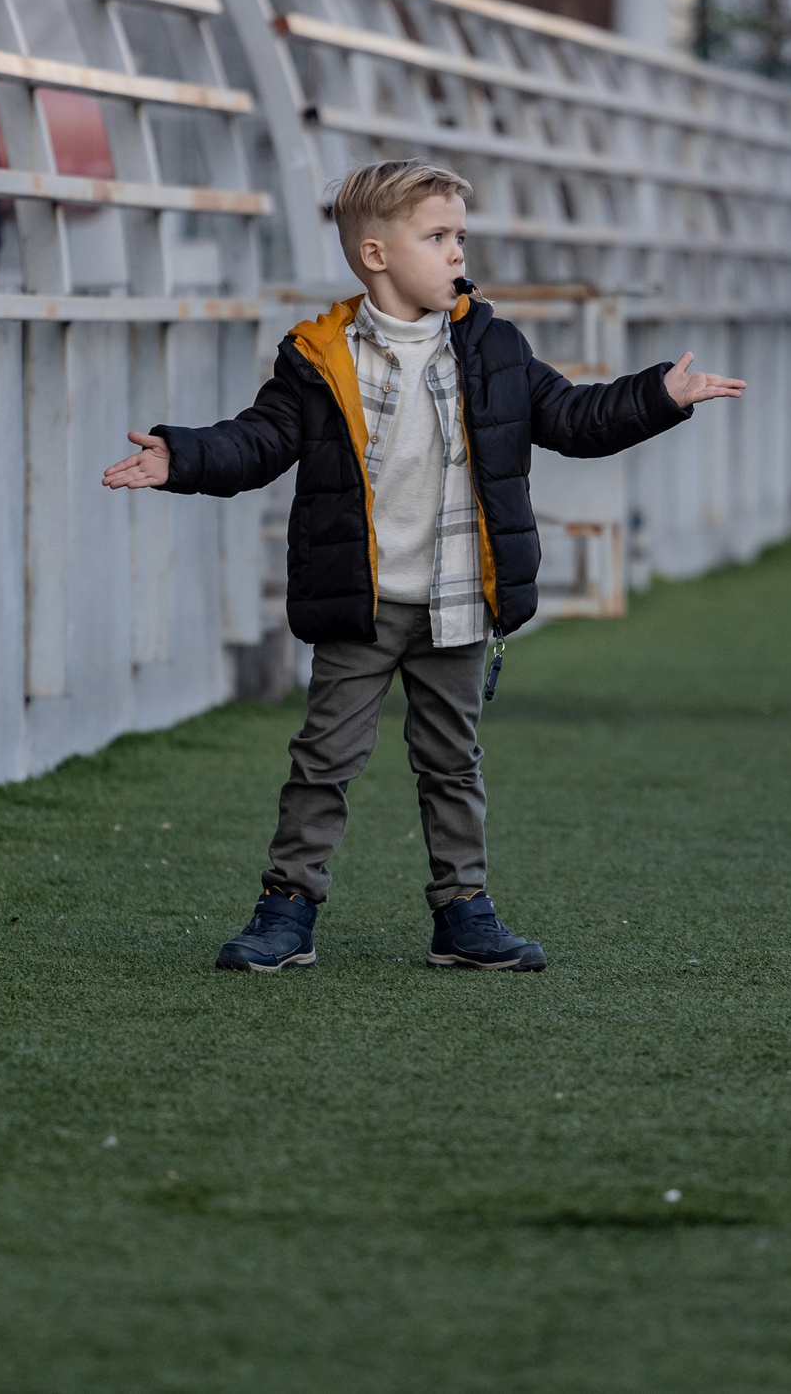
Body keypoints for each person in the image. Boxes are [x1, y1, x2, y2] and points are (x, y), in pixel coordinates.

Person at [100, 160, 746, 973]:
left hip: (458, 602)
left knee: (452, 762)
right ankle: (287, 909)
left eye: (459, 237)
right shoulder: (317, 355)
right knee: (323, 761)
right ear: (375, 253)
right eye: (436, 237)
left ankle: (464, 912)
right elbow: (257, 441)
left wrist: (661, 395)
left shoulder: (494, 347)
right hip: (362, 607)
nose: (455, 254)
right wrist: (183, 455)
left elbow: (576, 418)